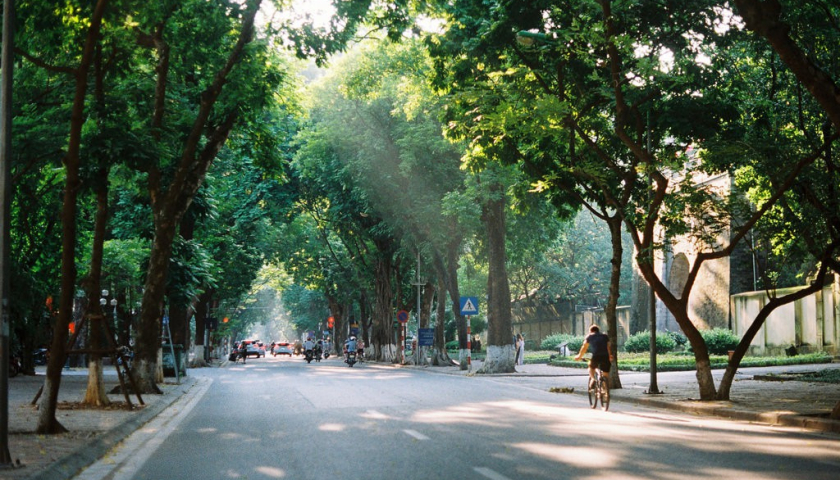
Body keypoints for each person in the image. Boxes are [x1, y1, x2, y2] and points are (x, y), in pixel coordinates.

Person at [574, 325, 615, 389]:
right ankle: (605, 387)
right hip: (605, 356)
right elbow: (608, 347)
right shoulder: (605, 336)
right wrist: (610, 356)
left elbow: (584, 347)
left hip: (596, 356)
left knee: (591, 366)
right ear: (598, 330)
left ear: (590, 331)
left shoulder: (589, 336)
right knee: (605, 372)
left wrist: (579, 356)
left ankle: (593, 379)